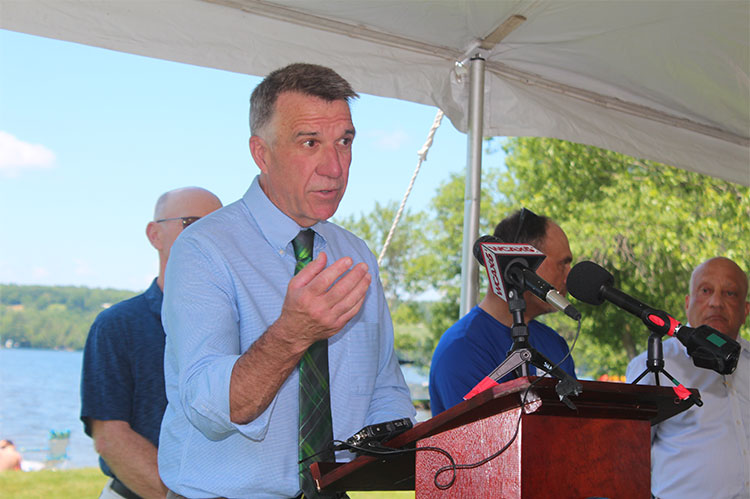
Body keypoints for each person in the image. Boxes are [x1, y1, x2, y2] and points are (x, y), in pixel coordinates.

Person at [157, 63, 415, 498]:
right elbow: (213, 408)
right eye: (310, 142)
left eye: (345, 142)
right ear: (262, 153)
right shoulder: (204, 248)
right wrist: (291, 334)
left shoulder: (356, 254)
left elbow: (384, 389)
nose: (334, 167)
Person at [80, 187, 222, 499]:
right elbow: (110, 438)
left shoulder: (243, 325)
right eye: (191, 222)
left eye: (220, 225)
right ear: (154, 235)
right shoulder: (117, 325)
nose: (210, 235)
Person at [429, 209, 577, 415]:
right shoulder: (461, 349)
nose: (569, 276)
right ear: (522, 262)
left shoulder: (555, 343)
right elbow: (481, 441)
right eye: (563, 263)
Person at [626, 257, 749, 499]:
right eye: (705, 291)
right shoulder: (655, 364)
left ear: (746, 310)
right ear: (687, 302)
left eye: (730, 293)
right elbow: (629, 456)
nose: (716, 303)